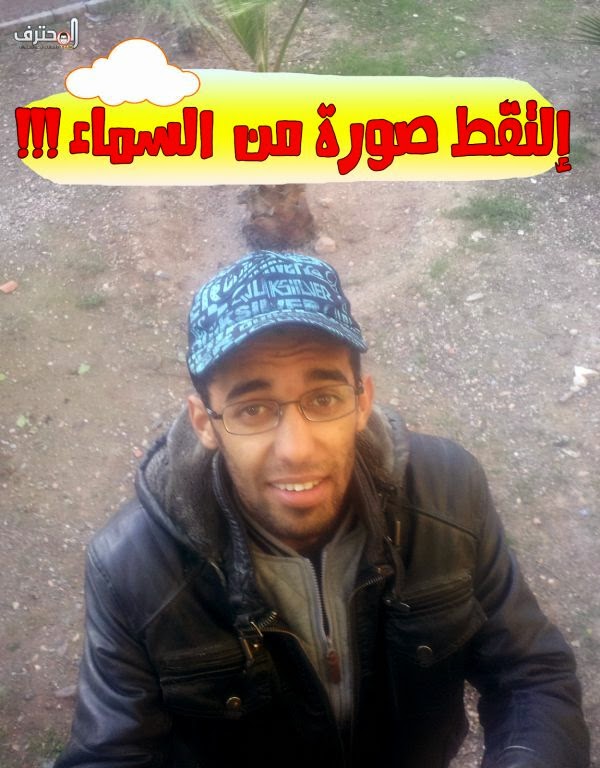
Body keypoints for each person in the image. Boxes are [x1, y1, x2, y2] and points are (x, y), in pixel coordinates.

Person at [55, 250, 589, 768]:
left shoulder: (448, 490)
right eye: (253, 408)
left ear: (362, 401)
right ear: (205, 424)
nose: (296, 449)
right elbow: (111, 752)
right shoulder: (132, 568)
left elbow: (529, 672)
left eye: (324, 399)